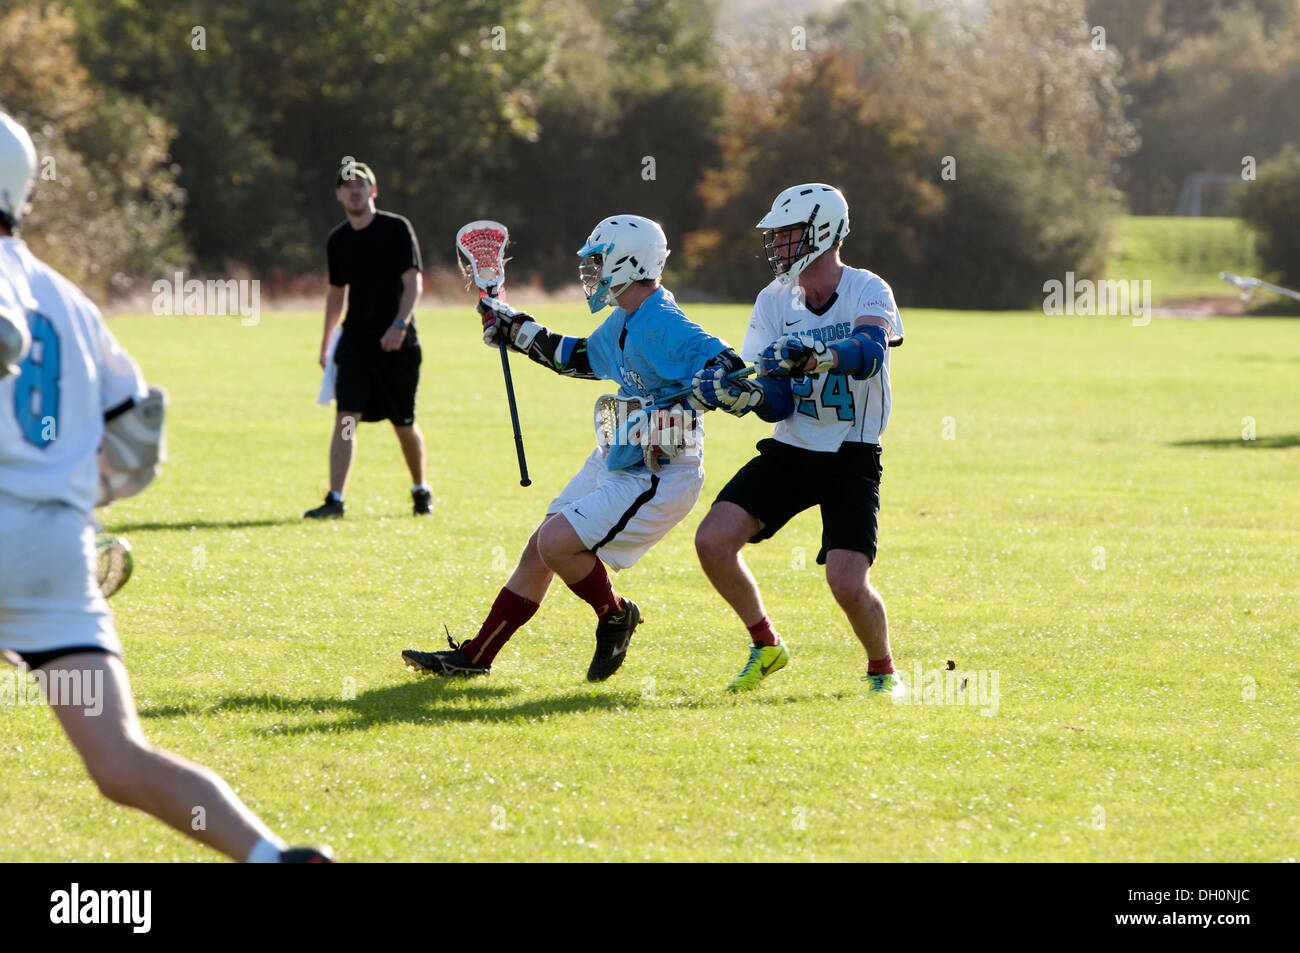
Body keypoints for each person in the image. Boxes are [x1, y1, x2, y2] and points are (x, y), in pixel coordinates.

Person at [0, 111, 331, 862]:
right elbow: (141, 435)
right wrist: (81, 492)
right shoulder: (70, 300)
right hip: (55, 549)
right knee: (119, 760)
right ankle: (273, 856)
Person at [402, 215, 778, 681]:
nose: (593, 271)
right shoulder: (626, 318)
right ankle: (475, 658)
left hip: (660, 472)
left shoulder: (663, 322)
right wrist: (516, 329)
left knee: (555, 544)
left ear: (629, 261)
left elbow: (727, 367)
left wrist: (685, 406)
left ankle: (616, 616)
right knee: (538, 549)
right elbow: (576, 359)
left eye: (599, 261)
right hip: (618, 455)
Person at [690, 183, 906, 695]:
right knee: (713, 541)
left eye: (789, 234)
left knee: (847, 583)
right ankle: (766, 645)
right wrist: (746, 398)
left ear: (824, 233)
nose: (779, 244)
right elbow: (778, 401)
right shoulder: (773, 300)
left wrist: (818, 356)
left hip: (851, 455)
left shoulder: (866, 287)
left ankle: (883, 671)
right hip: (791, 449)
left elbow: (871, 350)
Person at [305, 158, 429, 518]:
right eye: (347, 186)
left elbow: (413, 282)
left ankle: (421, 491)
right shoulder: (338, 239)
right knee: (345, 418)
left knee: (403, 423)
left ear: (372, 191)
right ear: (339, 195)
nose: (354, 190)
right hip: (356, 344)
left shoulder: (396, 229)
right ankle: (335, 500)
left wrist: (400, 325)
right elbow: (335, 293)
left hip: (397, 344)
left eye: (360, 184)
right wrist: (327, 341)